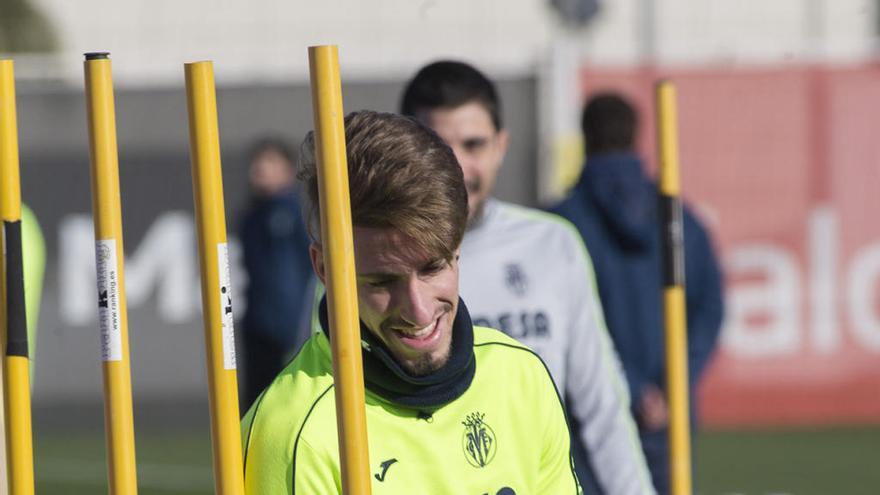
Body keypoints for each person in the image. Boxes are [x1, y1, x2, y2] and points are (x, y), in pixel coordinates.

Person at [241, 111, 581, 494]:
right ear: (324, 268)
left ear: (457, 248)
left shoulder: (521, 376)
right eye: (383, 281)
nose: (417, 310)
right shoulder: (293, 433)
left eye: (433, 268)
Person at [400, 61, 654, 495]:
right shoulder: (375, 261)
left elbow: (603, 404)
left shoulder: (552, 244)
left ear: (501, 145)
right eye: (439, 147)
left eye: (473, 144)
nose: (458, 166)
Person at [551, 93, 724, 495]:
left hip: (589, 414)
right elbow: (710, 308)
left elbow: (564, 323)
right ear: (638, 135)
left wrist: (628, 387)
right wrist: (673, 385)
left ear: (585, 136)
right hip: (669, 419)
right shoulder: (680, 219)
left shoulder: (561, 227)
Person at [238, 138, 314, 411]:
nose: (259, 168)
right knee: (257, 404)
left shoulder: (299, 212)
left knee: (291, 404)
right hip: (259, 324)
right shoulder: (251, 216)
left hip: (291, 325)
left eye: (269, 161)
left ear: (286, 168)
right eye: (257, 162)